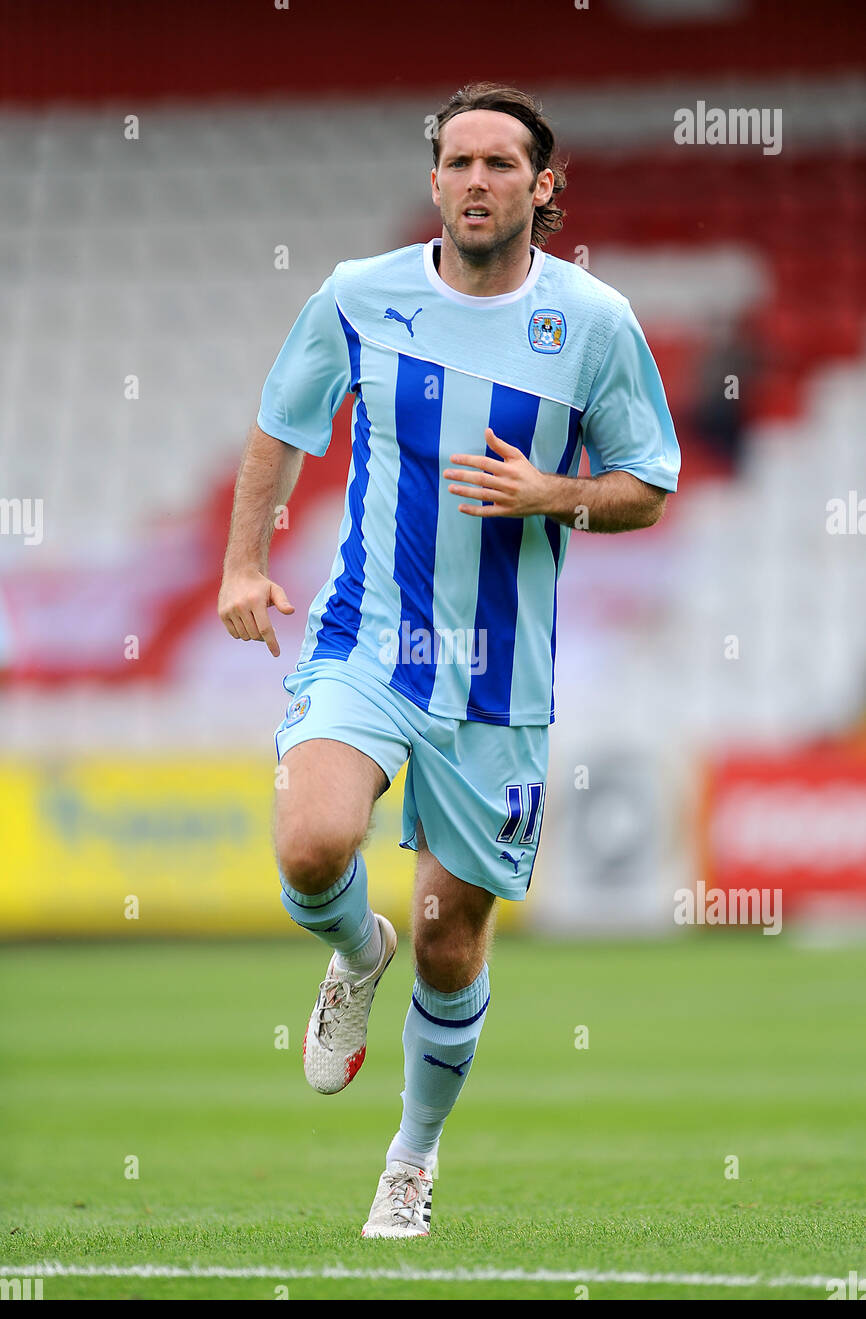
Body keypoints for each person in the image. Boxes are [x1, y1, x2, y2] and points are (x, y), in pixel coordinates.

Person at [218, 81, 680, 1238]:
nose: (477, 180)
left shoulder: (594, 323)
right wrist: (240, 566)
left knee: (448, 937)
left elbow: (647, 484)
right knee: (314, 839)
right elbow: (281, 422)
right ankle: (347, 947)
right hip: (366, 638)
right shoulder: (357, 297)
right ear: (433, 182)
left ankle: (410, 1160)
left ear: (543, 185)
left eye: (500, 163)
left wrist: (554, 493)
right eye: (458, 162)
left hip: (496, 680)